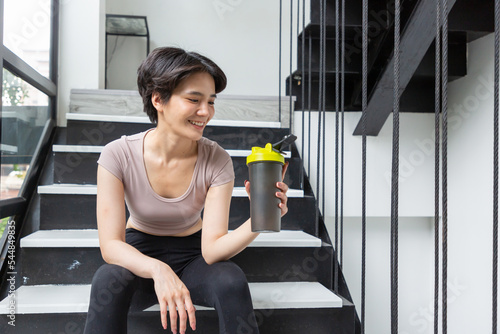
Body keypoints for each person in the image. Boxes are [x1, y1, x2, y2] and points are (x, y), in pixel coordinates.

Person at [83, 47, 289, 334]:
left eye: (211, 102)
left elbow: (213, 248)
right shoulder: (117, 155)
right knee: (108, 281)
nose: (205, 112)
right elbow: (111, 246)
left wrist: (261, 218)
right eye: (194, 99)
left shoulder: (217, 159)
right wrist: (158, 269)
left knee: (231, 280)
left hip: (194, 255)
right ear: (158, 99)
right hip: (139, 252)